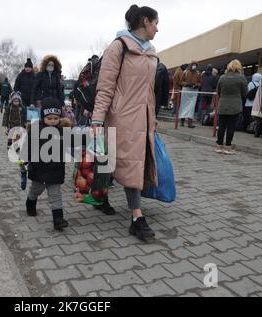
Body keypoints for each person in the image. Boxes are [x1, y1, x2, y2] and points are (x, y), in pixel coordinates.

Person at [92, 4, 159, 242]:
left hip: (143, 117)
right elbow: (105, 87)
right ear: (144, 21)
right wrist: (97, 119)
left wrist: (154, 117)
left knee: (124, 162)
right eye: (156, 23)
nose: (157, 29)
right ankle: (137, 218)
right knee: (128, 162)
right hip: (121, 117)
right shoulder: (118, 47)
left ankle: (100, 195)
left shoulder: (151, 51)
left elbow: (149, 90)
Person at [23, 98, 71, 231]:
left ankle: (58, 219)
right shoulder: (36, 130)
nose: (52, 121)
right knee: (35, 190)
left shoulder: (63, 130)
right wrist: (24, 159)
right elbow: (28, 146)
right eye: (49, 118)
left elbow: (72, 141)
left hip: (55, 170)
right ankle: (30, 203)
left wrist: (89, 137)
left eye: (55, 118)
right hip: (39, 169)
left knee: (55, 195)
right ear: (43, 116)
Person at [215, 59, 247, 155]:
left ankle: (219, 146)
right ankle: (228, 147)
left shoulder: (222, 77)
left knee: (221, 126)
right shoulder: (241, 78)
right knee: (231, 126)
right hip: (235, 104)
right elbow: (244, 93)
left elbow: (218, 91)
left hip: (223, 103)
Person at [179, 62, 202, 128]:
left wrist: (196, 85)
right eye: (193, 65)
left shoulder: (198, 73)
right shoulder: (185, 72)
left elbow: (200, 82)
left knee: (191, 108)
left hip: (194, 91)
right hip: (186, 90)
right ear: (190, 65)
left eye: (195, 65)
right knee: (183, 106)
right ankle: (182, 121)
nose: (194, 66)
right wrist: (187, 84)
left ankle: (190, 123)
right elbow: (181, 82)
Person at [14, 58, 36, 124]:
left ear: (31, 68)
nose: (27, 68)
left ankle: (32, 129)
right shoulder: (20, 75)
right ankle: (22, 125)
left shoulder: (34, 76)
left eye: (29, 67)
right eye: (26, 67)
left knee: (32, 116)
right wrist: (16, 93)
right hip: (22, 98)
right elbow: (16, 85)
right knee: (22, 113)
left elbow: (36, 88)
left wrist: (33, 101)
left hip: (31, 97)